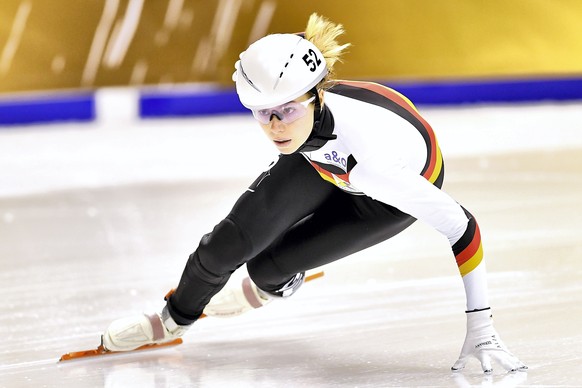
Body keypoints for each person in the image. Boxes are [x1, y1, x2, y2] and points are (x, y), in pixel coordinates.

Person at [103, 13, 527, 374]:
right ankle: (173, 320)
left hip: (382, 195)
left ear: (317, 96)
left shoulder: (375, 165)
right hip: (323, 157)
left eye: (286, 111)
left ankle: (278, 280)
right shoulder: (302, 120)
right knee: (223, 246)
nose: (275, 127)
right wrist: (181, 308)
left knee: (268, 269)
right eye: (262, 114)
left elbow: (462, 225)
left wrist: (481, 327)